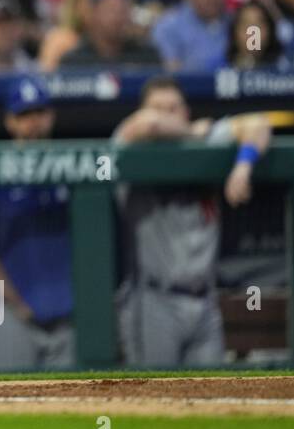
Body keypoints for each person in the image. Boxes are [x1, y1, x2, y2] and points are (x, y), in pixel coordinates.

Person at [112, 76, 274, 366]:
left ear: (186, 110)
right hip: (154, 301)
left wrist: (243, 165)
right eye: (158, 107)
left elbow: (259, 124)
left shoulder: (205, 139)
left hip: (205, 301)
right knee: (152, 402)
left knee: (212, 400)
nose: (165, 114)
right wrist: (194, 133)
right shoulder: (127, 145)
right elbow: (147, 124)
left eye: (174, 107)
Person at [0, 78, 73, 369]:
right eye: (24, 115)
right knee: (8, 400)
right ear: (10, 122)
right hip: (10, 310)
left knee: (75, 403)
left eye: (39, 113)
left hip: (71, 315)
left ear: (51, 116)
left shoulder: (73, 167)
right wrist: (17, 304)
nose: (33, 123)